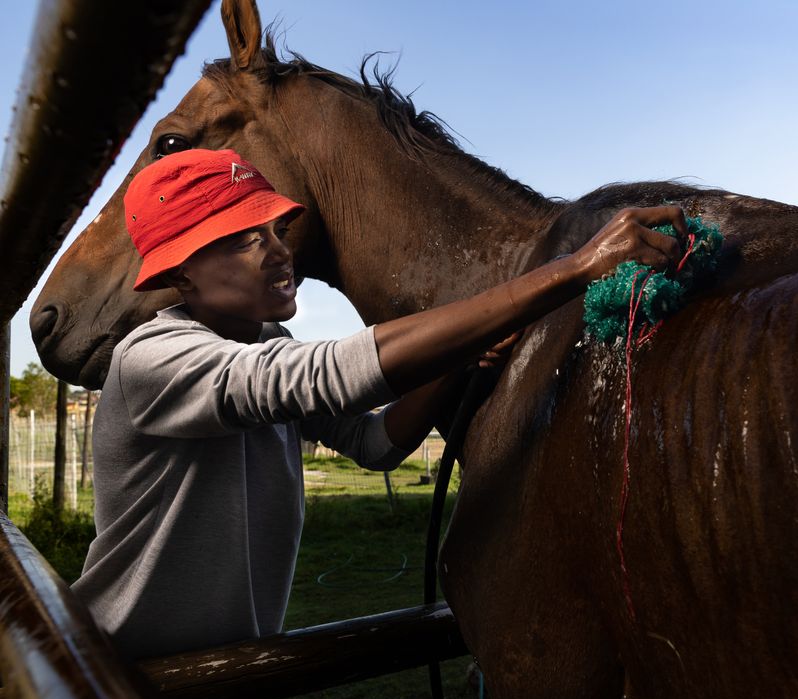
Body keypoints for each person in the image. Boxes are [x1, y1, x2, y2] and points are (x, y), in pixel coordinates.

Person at [71, 148, 683, 659]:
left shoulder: (267, 343)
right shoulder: (152, 358)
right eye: (239, 241)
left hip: (226, 662)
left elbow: (376, 443)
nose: (278, 251)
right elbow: (324, 375)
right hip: (117, 668)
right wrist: (573, 269)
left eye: (274, 231)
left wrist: (454, 366)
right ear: (179, 274)